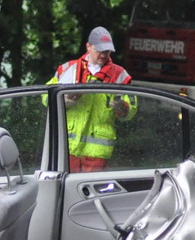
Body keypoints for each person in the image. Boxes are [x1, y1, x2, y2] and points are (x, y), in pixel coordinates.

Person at [47, 26, 136, 172]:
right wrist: (61, 102)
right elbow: (46, 96)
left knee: (92, 194)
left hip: (97, 152)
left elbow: (132, 109)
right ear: (88, 47)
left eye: (107, 51)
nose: (103, 54)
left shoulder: (120, 75)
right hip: (66, 147)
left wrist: (123, 107)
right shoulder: (68, 69)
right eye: (99, 50)